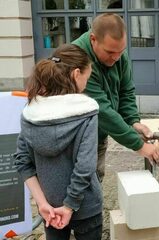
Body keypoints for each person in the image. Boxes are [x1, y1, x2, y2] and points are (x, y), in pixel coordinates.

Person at [14, 44, 103, 240]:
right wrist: (70, 206)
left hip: (50, 207)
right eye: (87, 78)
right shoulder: (86, 112)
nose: (86, 84)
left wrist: (42, 204)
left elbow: (22, 161)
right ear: (76, 74)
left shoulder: (30, 113)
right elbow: (85, 167)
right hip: (86, 205)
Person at [72, 13, 159, 182]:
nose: (116, 57)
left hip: (97, 135)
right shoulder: (78, 59)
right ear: (93, 39)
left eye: (121, 51)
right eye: (110, 52)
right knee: (79, 186)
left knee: (95, 182)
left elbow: (126, 90)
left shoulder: (118, 53)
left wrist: (133, 122)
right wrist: (139, 145)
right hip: (75, 139)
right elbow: (101, 109)